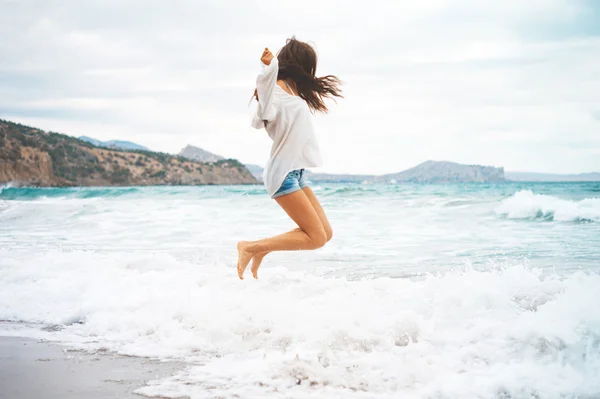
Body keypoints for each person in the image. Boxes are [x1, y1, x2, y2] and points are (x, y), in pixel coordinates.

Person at [237, 37, 343, 279]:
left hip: (296, 173)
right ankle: (250, 247)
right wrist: (269, 68)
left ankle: (261, 249)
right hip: (282, 173)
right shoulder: (273, 89)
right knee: (315, 238)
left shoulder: (293, 92)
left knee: (325, 234)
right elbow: (263, 110)